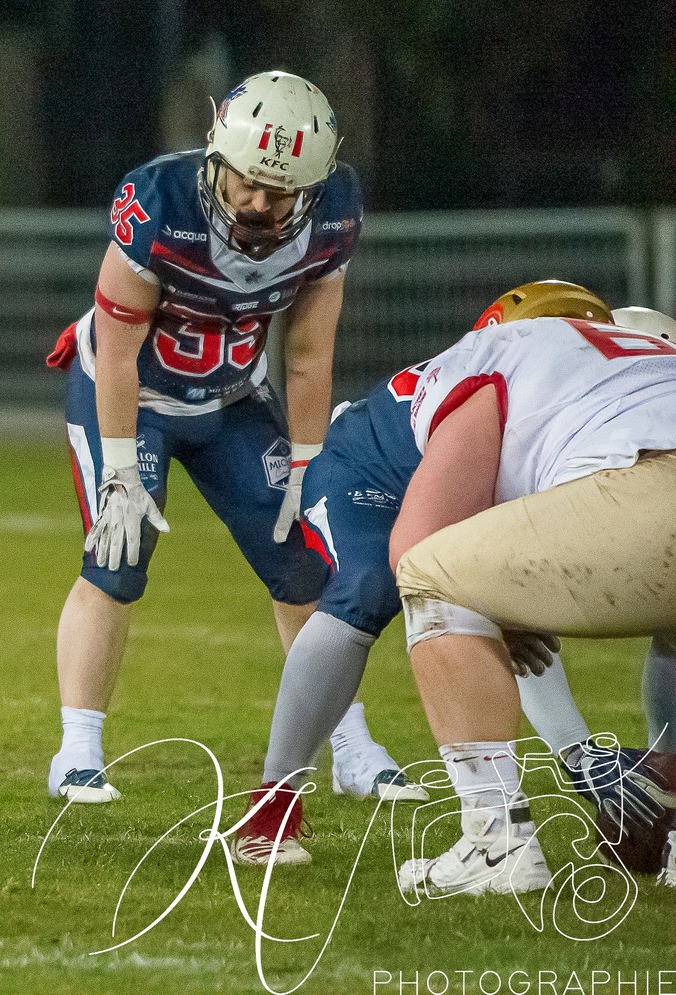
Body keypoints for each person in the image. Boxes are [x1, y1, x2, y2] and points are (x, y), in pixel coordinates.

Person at [233, 281, 653, 864]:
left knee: (500, 598)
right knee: (366, 592)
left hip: (451, 480)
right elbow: (426, 547)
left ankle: (569, 775)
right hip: (370, 472)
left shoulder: (549, 404)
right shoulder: (497, 380)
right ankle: (270, 808)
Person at [45, 72, 379, 803]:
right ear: (216, 155)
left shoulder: (333, 217)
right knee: (118, 554)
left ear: (312, 188)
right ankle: (77, 751)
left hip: (233, 396)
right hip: (132, 394)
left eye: (279, 193)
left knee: (304, 560)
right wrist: (120, 469)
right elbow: (119, 352)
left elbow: (308, 354)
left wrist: (307, 463)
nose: (257, 202)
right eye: (246, 181)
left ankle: (352, 747)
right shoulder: (160, 203)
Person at [389, 311, 676, 896]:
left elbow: (415, 544)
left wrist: (496, 610)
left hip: (651, 489)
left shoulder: (498, 351)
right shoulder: (648, 361)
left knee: (430, 572)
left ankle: (496, 843)